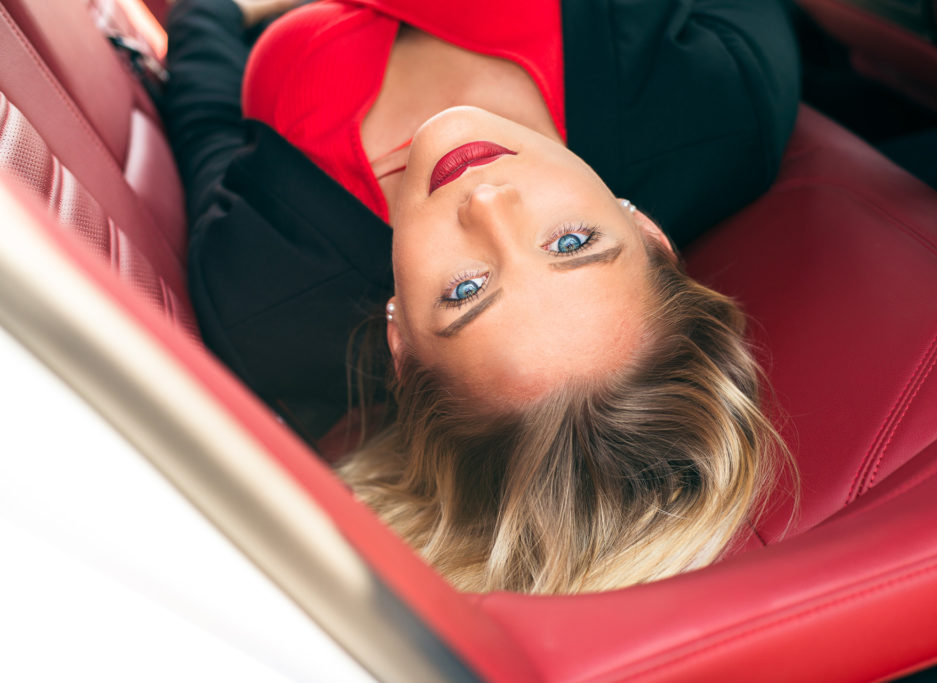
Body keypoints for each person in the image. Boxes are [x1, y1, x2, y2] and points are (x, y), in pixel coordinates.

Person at [162, 0, 800, 593]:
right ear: (648, 235)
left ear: (402, 347)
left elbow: (203, 89)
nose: (489, 203)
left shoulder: (267, 297)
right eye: (571, 242)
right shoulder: (725, 101)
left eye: (466, 290)